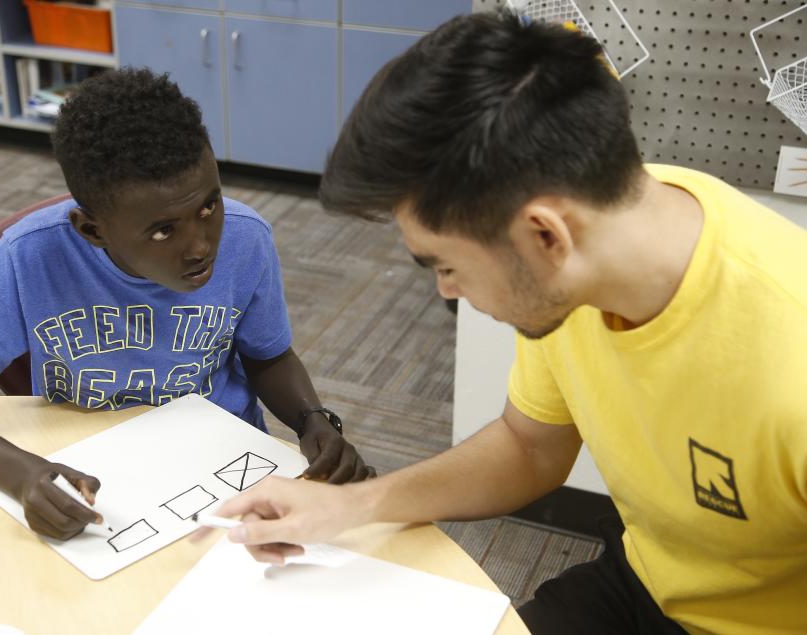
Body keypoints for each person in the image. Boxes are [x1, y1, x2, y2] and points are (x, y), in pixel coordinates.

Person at [203, 11, 807, 635]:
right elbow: (529, 447)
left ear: (544, 234)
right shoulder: (604, 234)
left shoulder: (790, 358)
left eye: (445, 266)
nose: (447, 292)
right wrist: (349, 505)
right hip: (644, 579)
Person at [0, 68, 375, 542]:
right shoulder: (28, 258)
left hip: (223, 463)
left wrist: (311, 419)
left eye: (209, 206)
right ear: (93, 230)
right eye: (164, 230)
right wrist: (21, 475)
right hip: (95, 476)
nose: (200, 245)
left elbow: (268, 356)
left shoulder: (247, 240)